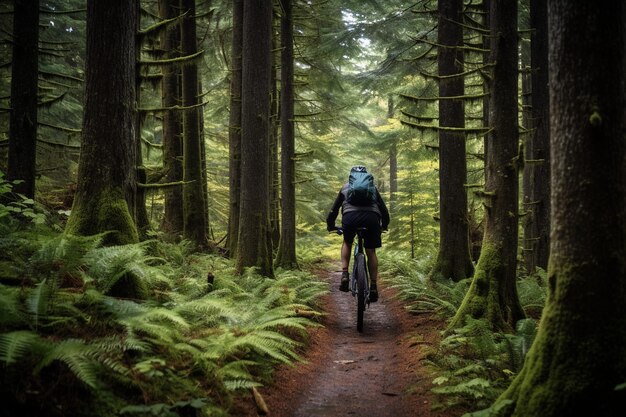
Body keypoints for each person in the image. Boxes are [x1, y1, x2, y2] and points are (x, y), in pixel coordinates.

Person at [326, 166, 390, 302]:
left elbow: (334, 210)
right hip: (371, 218)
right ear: (365, 176)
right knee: (371, 251)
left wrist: (331, 225)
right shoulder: (372, 188)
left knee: (347, 243)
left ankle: (344, 274)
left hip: (350, 217)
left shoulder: (345, 187)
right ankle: (373, 285)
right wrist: (384, 225)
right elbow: (383, 210)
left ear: (352, 176)